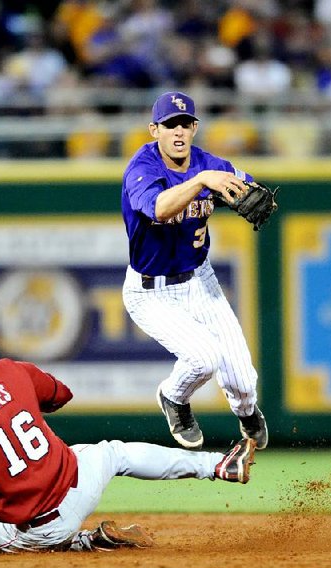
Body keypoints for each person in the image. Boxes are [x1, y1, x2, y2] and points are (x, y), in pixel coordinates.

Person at [0, 320, 257, 555]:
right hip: (79, 477)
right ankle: (217, 464)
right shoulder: (9, 369)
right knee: (115, 452)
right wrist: (14, 402)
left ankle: (79, 540)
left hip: (45, 524)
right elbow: (60, 395)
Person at [120, 90, 269, 451]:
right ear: (154, 130)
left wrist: (250, 191)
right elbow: (158, 209)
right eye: (170, 124)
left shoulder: (208, 162)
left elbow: (248, 186)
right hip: (150, 291)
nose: (178, 132)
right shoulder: (142, 168)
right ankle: (173, 398)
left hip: (200, 282)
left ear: (195, 128)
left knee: (244, 381)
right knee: (203, 358)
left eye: (185, 124)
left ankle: (248, 415)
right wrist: (204, 183)